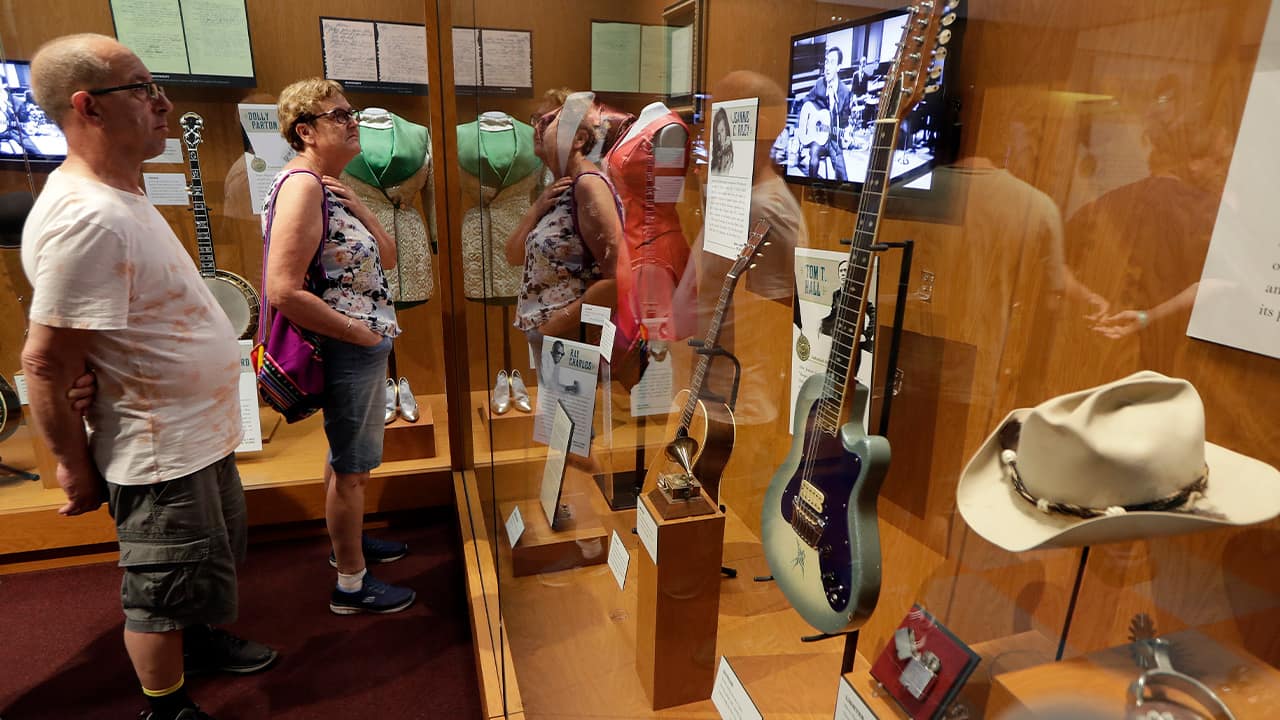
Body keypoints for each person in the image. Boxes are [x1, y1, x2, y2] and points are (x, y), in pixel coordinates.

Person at [20, 33, 276, 720]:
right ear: (88, 107)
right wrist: (72, 465)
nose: (163, 103)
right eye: (143, 88)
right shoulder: (87, 217)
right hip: (158, 450)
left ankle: (199, 642)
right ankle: (166, 706)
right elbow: (44, 360)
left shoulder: (118, 194)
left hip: (196, 435)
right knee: (160, 591)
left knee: (201, 565)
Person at [264, 79, 415, 616]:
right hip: (349, 342)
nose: (354, 122)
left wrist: (364, 210)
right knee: (353, 467)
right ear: (304, 130)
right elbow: (283, 289)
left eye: (352, 112)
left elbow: (390, 258)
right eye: (339, 115)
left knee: (345, 456)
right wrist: (360, 334)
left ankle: (345, 543)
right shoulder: (303, 185)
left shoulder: (325, 184)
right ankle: (351, 584)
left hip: (358, 339)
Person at [504, 89, 622, 365]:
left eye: (547, 120)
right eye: (535, 119)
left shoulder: (589, 185)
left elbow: (617, 279)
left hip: (572, 340)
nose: (537, 128)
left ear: (580, 138)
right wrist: (537, 208)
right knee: (557, 409)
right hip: (555, 340)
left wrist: (550, 328)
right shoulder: (561, 187)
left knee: (570, 409)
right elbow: (513, 256)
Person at [801, 46, 853, 181]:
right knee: (813, 159)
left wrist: (846, 132)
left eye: (832, 62)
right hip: (817, 138)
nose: (827, 67)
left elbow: (844, 121)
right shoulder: (819, 84)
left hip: (834, 139)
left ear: (839, 67)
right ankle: (811, 189)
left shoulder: (845, 92)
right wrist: (813, 117)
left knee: (843, 175)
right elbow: (806, 101)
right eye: (826, 62)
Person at [709, 105, 734, 174]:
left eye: (722, 130)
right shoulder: (716, 154)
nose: (720, 138)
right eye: (718, 134)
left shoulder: (728, 154)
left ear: (727, 129)